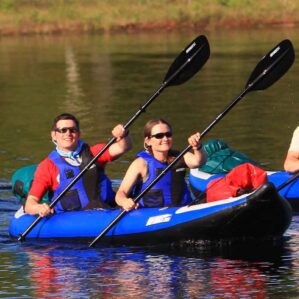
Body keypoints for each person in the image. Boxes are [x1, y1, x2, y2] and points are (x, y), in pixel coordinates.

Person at [24, 113, 132, 217]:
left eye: (72, 130)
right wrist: (39, 208)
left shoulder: (95, 153)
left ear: (79, 133)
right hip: (71, 219)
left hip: (107, 210)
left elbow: (123, 147)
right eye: (63, 130)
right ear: (54, 135)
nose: (68, 134)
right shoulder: (47, 166)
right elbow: (30, 204)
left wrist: (123, 134)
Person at [115, 118, 206, 211]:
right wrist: (125, 202)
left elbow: (198, 162)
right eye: (159, 136)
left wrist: (197, 147)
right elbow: (120, 194)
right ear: (148, 141)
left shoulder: (179, 156)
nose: (165, 139)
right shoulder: (141, 163)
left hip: (183, 210)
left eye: (168, 134)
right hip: (150, 214)